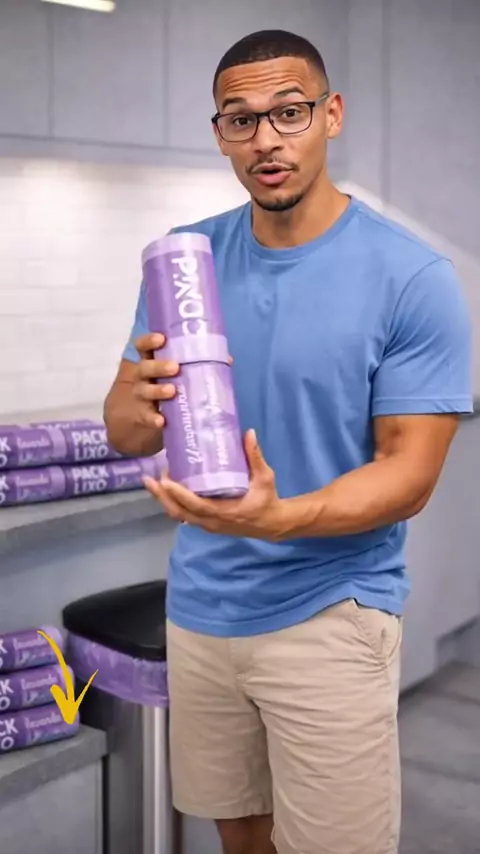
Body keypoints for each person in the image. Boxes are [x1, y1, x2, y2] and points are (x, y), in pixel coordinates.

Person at [103, 29, 473, 854]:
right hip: (202, 608)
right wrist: (139, 399)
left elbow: (409, 475)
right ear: (220, 134)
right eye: (241, 119)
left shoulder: (411, 277)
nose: (266, 139)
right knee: (241, 836)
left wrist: (282, 518)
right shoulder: (186, 262)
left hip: (330, 613)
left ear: (331, 115)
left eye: (290, 112)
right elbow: (125, 429)